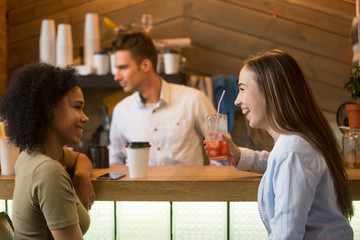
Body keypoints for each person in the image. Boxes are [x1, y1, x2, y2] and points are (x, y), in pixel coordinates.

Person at [205, 50, 354, 239]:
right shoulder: (296, 145)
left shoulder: (293, 152)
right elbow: (280, 164)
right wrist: (239, 156)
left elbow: (286, 235)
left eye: (242, 89)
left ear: (269, 90)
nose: (237, 100)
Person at [0, 63, 93, 239]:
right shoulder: (49, 171)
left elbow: (79, 158)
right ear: (49, 109)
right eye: (77, 107)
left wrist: (81, 176)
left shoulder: (29, 155)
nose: (85, 117)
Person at [109, 31, 216, 166]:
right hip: (141, 187)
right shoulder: (121, 110)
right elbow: (115, 160)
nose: (117, 77)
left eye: (123, 68)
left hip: (189, 186)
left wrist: (211, 181)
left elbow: (221, 151)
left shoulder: (194, 100)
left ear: (145, 65)